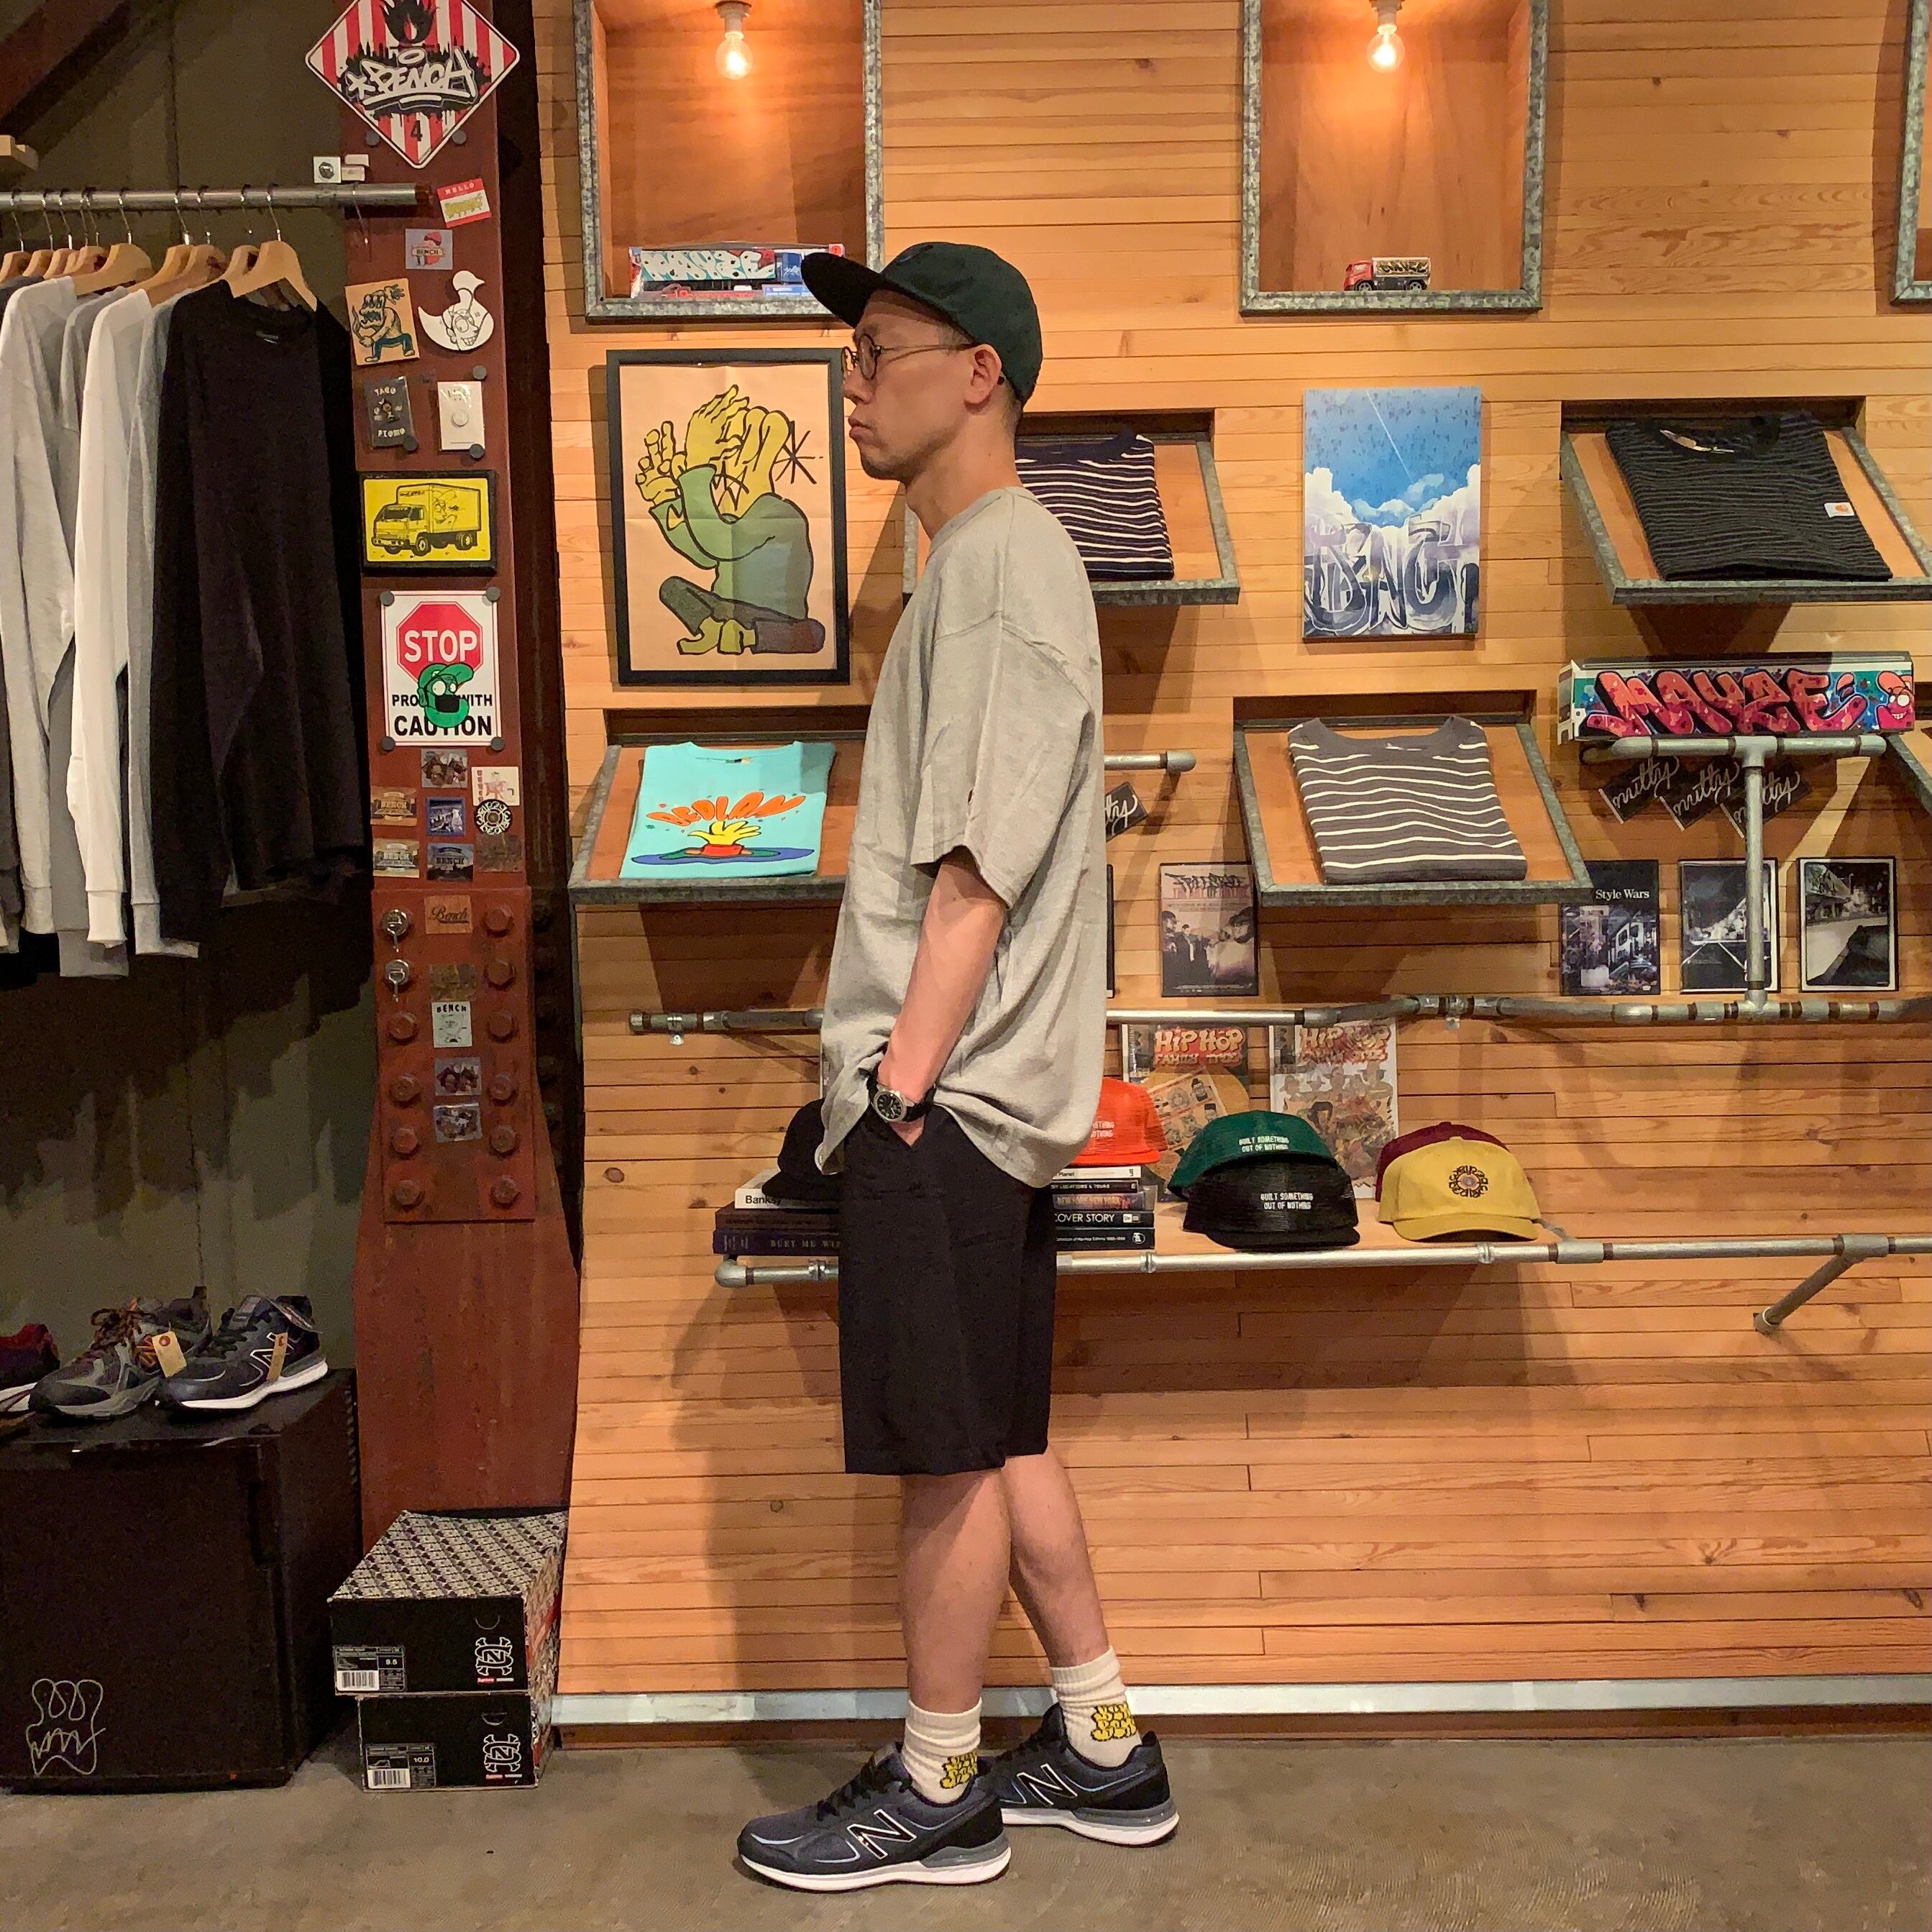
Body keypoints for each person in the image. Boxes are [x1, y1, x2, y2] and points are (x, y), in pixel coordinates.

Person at [733, 242, 1176, 1893]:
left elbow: (978, 870)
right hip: (983, 1098)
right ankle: (1104, 1742)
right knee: (994, 1432)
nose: (853, 383)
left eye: (880, 351)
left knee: (944, 1454)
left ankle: (939, 1785)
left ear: (978, 371)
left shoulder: (997, 566)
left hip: (954, 1098)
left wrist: (901, 1089)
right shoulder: (985, 565)